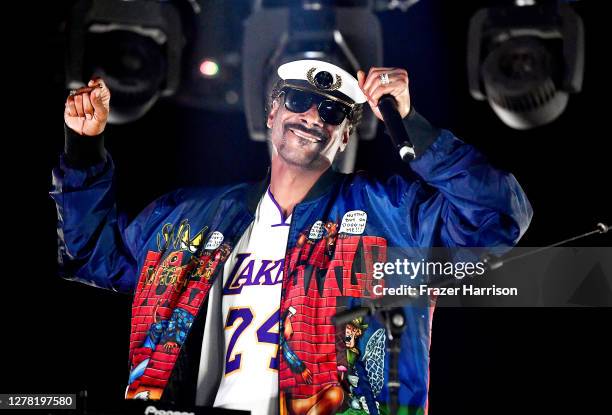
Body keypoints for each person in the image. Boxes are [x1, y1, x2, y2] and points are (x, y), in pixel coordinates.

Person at [51, 59, 532, 415]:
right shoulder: (196, 217)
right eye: (298, 101)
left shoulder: (390, 215)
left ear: (345, 136)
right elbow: (94, 253)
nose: (312, 117)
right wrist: (83, 146)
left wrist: (413, 128)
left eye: (332, 111)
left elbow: (497, 217)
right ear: (270, 114)